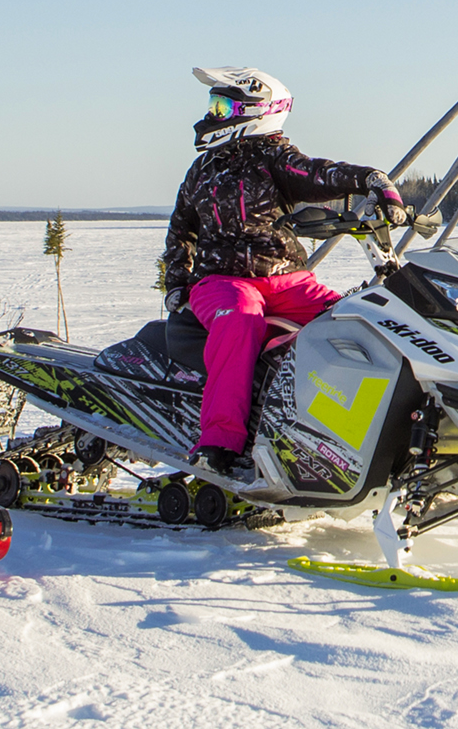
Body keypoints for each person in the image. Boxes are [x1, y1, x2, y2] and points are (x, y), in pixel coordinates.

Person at [164, 66, 409, 479]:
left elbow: (320, 173)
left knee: (359, 318)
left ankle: (367, 432)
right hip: (221, 281)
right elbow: (181, 227)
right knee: (240, 320)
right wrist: (176, 280)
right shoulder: (203, 169)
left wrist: (373, 181)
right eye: (215, 105)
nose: (215, 114)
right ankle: (219, 442)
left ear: (255, 111)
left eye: (223, 106)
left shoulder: (274, 158)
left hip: (286, 278)